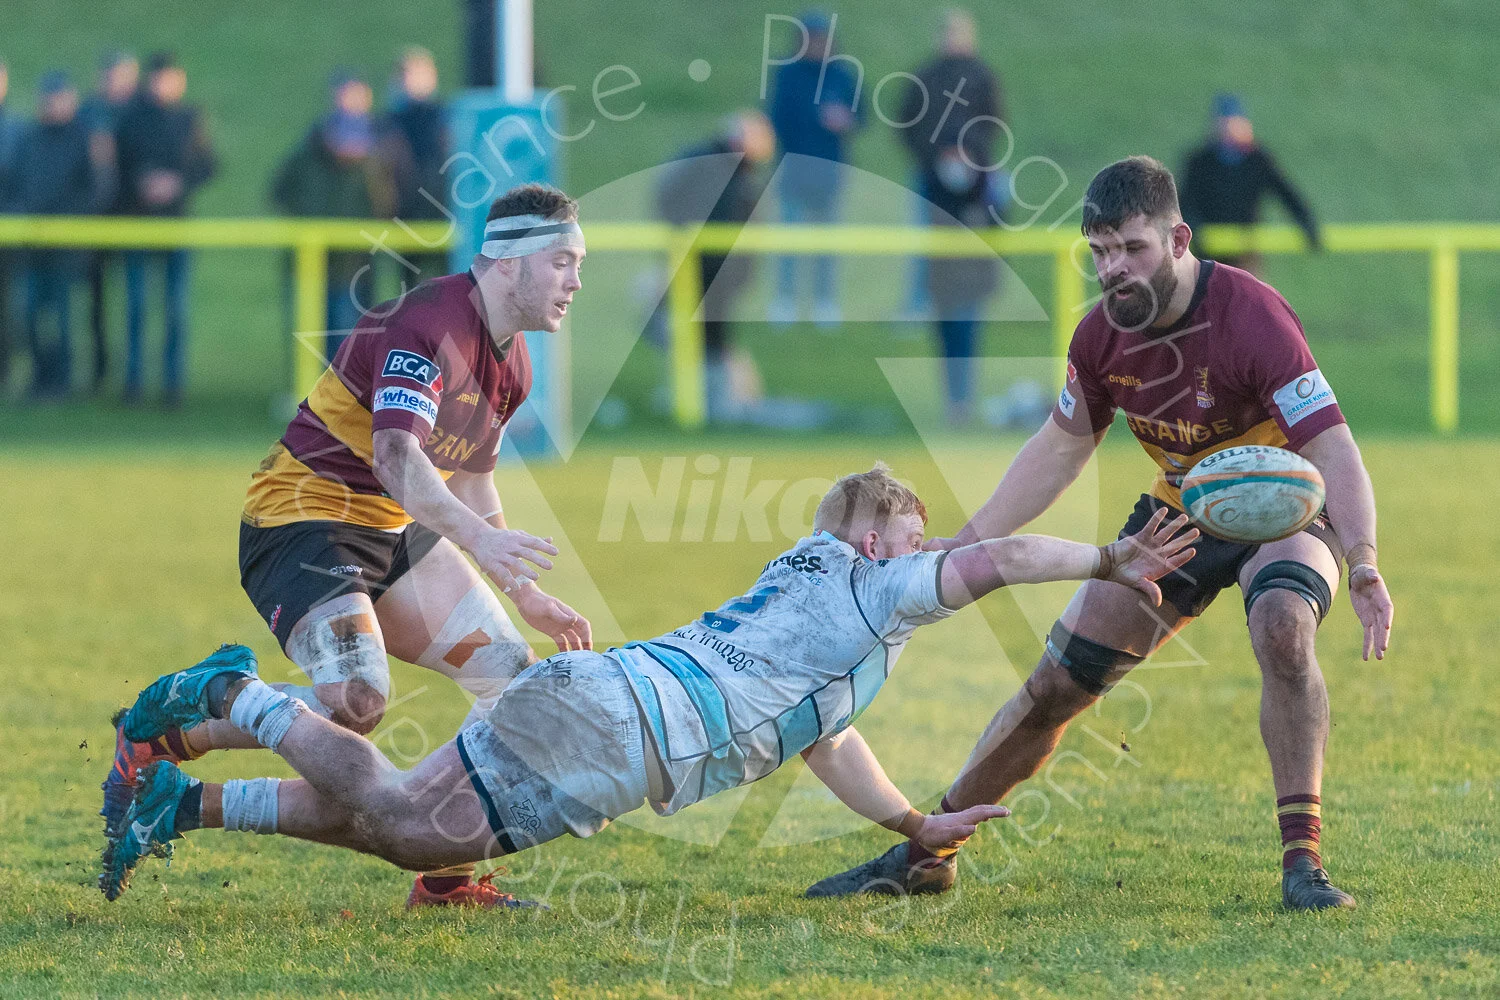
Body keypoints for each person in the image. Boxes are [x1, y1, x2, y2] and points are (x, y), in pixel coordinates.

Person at [101, 465, 1199, 906]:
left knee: (407, 832)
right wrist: (1110, 561)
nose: (927, 550)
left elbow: (828, 741)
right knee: (402, 818)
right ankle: (237, 696)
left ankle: (179, 801)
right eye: (911, 534)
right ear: (871, 533)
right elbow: (999, 560)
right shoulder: (875, 584)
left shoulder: (827, 618)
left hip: (619, 719)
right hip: (620, 724)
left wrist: (918, 820)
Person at [805, 157, 1394, 911]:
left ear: (1178, 239)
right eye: (1100, 252)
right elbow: (1059, 447)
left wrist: (1365, 560)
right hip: (1178, 510)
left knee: (1283, 627)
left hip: (1280, 503)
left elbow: (1332, 446)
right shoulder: (1100, 338)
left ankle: (1302, 867)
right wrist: (967, 540)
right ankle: (927, 852)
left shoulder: (1253, 316)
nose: (1114, 270)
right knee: (1054, 685)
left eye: (1132, 249)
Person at [98, 182, 594, 908]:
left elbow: (473, 479)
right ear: (510, 263)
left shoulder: (512, 361)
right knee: (355, 703)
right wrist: (480, 541)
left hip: (397, 528)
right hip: (301, 518)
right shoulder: (429, 324)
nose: (577, 281)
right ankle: (202, 704)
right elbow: (398, 458)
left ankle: (446, 880)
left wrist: (528, 594)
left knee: (514, 688)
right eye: (564, 262)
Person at [654, 110, 774, 423]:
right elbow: (671, 200)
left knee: (711, 338)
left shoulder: (735, 174)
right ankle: (703, 403)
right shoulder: (711, 166)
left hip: (715, 270)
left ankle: (714, 403)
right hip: (700, 267)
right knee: (699, 336)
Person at [271, 71, 399, 357]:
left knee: (351, 343)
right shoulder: (310, 147)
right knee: (311, 341)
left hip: (357, 264)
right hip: (312, 263)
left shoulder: (382, 149)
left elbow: (389, 202)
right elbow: (280, 189)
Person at [116, 51, 217, 406]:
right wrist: (142, 182)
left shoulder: (190, 119)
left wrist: (177, 184)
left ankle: (173, 386)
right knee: (137, 309)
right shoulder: (130, 119)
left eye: (171, 77)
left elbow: (208, 165)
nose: (164, 84)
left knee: (176, 310)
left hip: (177, 225)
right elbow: (117, 167)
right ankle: (134, 385)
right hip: (139, 225)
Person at [896, 10, 1006, 321]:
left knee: (979, 240)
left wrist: (968, 153)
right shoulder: (925, 76)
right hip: (930, 176)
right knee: (924, 242)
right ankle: (918, 306)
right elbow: (907, 123)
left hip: (976, 177)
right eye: (948, 33)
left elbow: (994, 122)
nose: (953, 39)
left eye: (959, 33)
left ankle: (976, 302)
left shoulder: (984, 76)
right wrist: (937, 155)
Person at [766, 10, 862, 327]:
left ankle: (825, 302)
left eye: (823, 39)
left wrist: (846, 120)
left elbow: (861, 114)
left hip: (829, 170)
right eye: (812, 39)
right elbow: (776, 118)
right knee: (790, 239)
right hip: (794, 169)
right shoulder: (787, 74)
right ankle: (785, 301)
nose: (818, 45)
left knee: (826, 241)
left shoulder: (842, 75)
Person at [13, 72, 105, 398]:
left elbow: (94, 188)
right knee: (33, 315)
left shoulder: (84, 138)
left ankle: (61, 381)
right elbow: (20, 183)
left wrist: (65, 219)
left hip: (66, 246)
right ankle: (40, 378)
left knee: (61, 316)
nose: (51, 105)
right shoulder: (31, 138)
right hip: (33, 244)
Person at [1179, 94, 1320, 274]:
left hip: (1245, 247)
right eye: (1225, 123)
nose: (1230, 130)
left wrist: (1305, 221)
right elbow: (1186, 201)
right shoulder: (1200, 161)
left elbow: (1285, 192)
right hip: (1207, 251)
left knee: (1246, 296)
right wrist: (1193, 228)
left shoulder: (1258, 160)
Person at [79, 50, 139, 391]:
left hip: (132, 218)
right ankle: (100, 373)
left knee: (136, 302)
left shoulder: (139, 114)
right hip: (94, 219)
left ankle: (133, 380)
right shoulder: (89, 112)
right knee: (95, 303)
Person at [383, 47, 449, 282]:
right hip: (405, 219)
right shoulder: (390, 125)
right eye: (406, 75)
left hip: (445, 218)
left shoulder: (447, 120)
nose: (411, 81)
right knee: (410, 294)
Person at [0, 61, 27, 394]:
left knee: (6, 309)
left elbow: (26, 182)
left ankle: (3, 373)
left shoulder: (16, 130)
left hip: (6, 236)